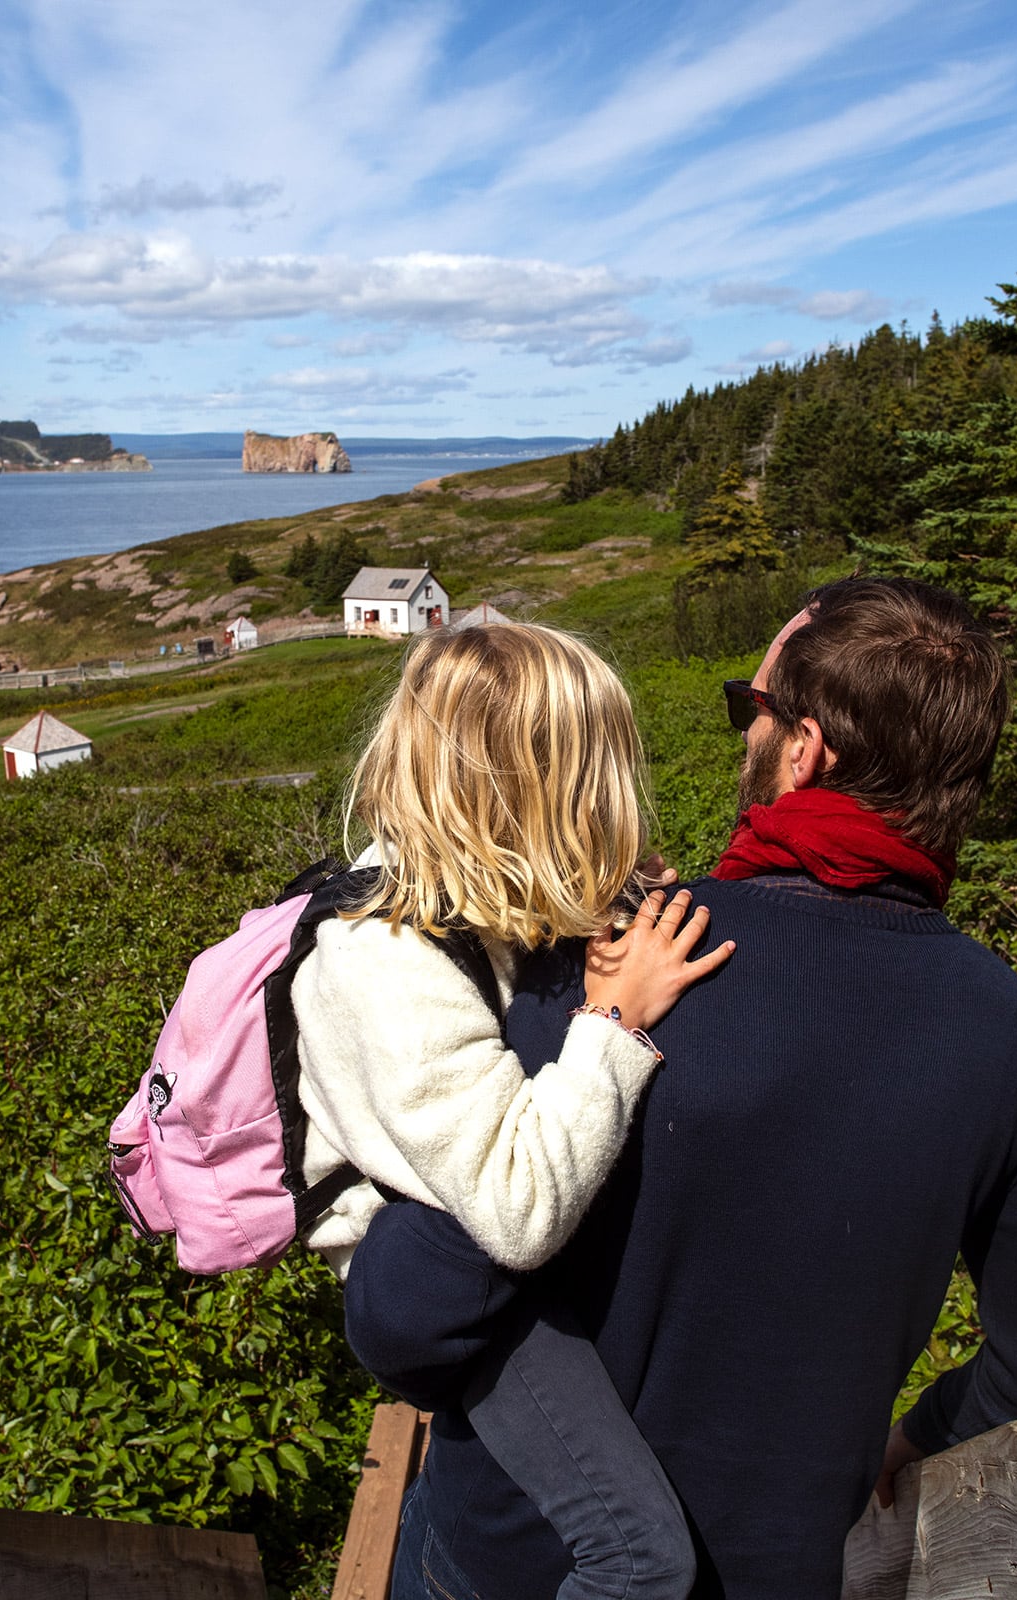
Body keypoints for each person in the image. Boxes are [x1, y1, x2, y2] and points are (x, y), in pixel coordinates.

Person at [346, 577, 1017, 1600]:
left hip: (512, 1562)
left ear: (804, 750)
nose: (738, 737)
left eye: (747, 710)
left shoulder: (627, 965)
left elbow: (405, 1316)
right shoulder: (1011, 1035)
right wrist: (912, 1438)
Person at [293, 621, 734, 1600]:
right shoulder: (380, 962)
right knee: (639, 1560)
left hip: (464, 1231)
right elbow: (519, 1207)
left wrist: (616, 901)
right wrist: (615, 1019)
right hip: (426, 1271)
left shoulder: (459, 885)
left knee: (457, 1512)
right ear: (536, 789)